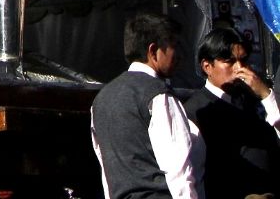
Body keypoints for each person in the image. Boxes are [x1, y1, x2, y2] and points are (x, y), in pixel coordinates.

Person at [92, 12, 203, 199]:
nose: (179, 55)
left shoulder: (101, 100)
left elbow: (107, 169)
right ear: (153, 51)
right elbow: (178, 166)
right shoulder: (157, 94)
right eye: (174, 46)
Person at [184, 27, 280, 199]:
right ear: (207, 66)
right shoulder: (197, 111)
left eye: (243, 61)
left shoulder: (254, 100)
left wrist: (266, 96)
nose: (239, 68)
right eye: (230, 61)